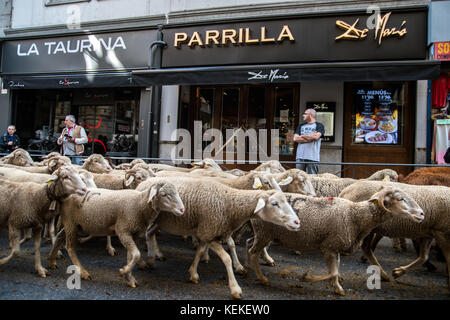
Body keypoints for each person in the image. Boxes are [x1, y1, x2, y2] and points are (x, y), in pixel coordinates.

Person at [293, 108, 324, 174]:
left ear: (311, 115)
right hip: (300, 156)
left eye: (305, 114)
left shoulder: (319, 125)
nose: (303, 115)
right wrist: (311, 137)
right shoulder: (301, 126)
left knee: (313, 179)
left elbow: (316, 137)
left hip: (312, 157)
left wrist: (302, 135)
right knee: (299, 178)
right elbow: (295, 139)